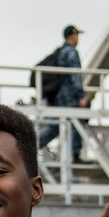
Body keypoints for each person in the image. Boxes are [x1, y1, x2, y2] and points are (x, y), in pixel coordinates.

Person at [37, 25, 89, 163]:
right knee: (77, 121)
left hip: (58, 96)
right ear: (73, 36)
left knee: (55, 126)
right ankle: (75, 155)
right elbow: (75, 76)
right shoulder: (71, 52)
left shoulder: (60, 52)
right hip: (70, 97)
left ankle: (31, 146)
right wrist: (81, 96)